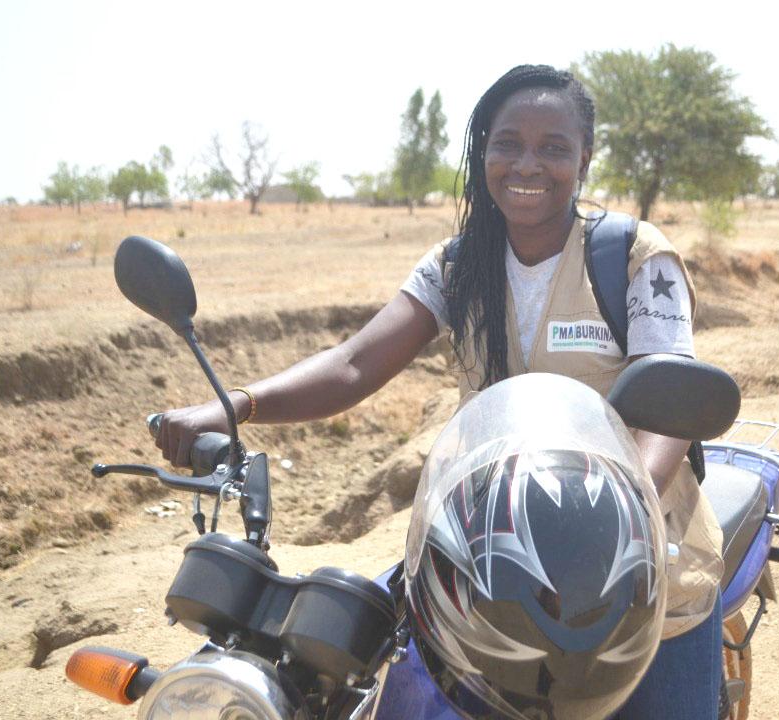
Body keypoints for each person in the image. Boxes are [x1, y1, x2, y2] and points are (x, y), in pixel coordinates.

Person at [156, 64, 724, 719]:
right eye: (508, 142)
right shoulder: (459, 266)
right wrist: (233, 408)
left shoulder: (633, 257)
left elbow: (670, 405)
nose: (527, 163)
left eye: (553, 147)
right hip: (488, 560)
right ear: (483, 150)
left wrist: (626, 514)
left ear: (584, 159)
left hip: (643, 569)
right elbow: (353, 364)